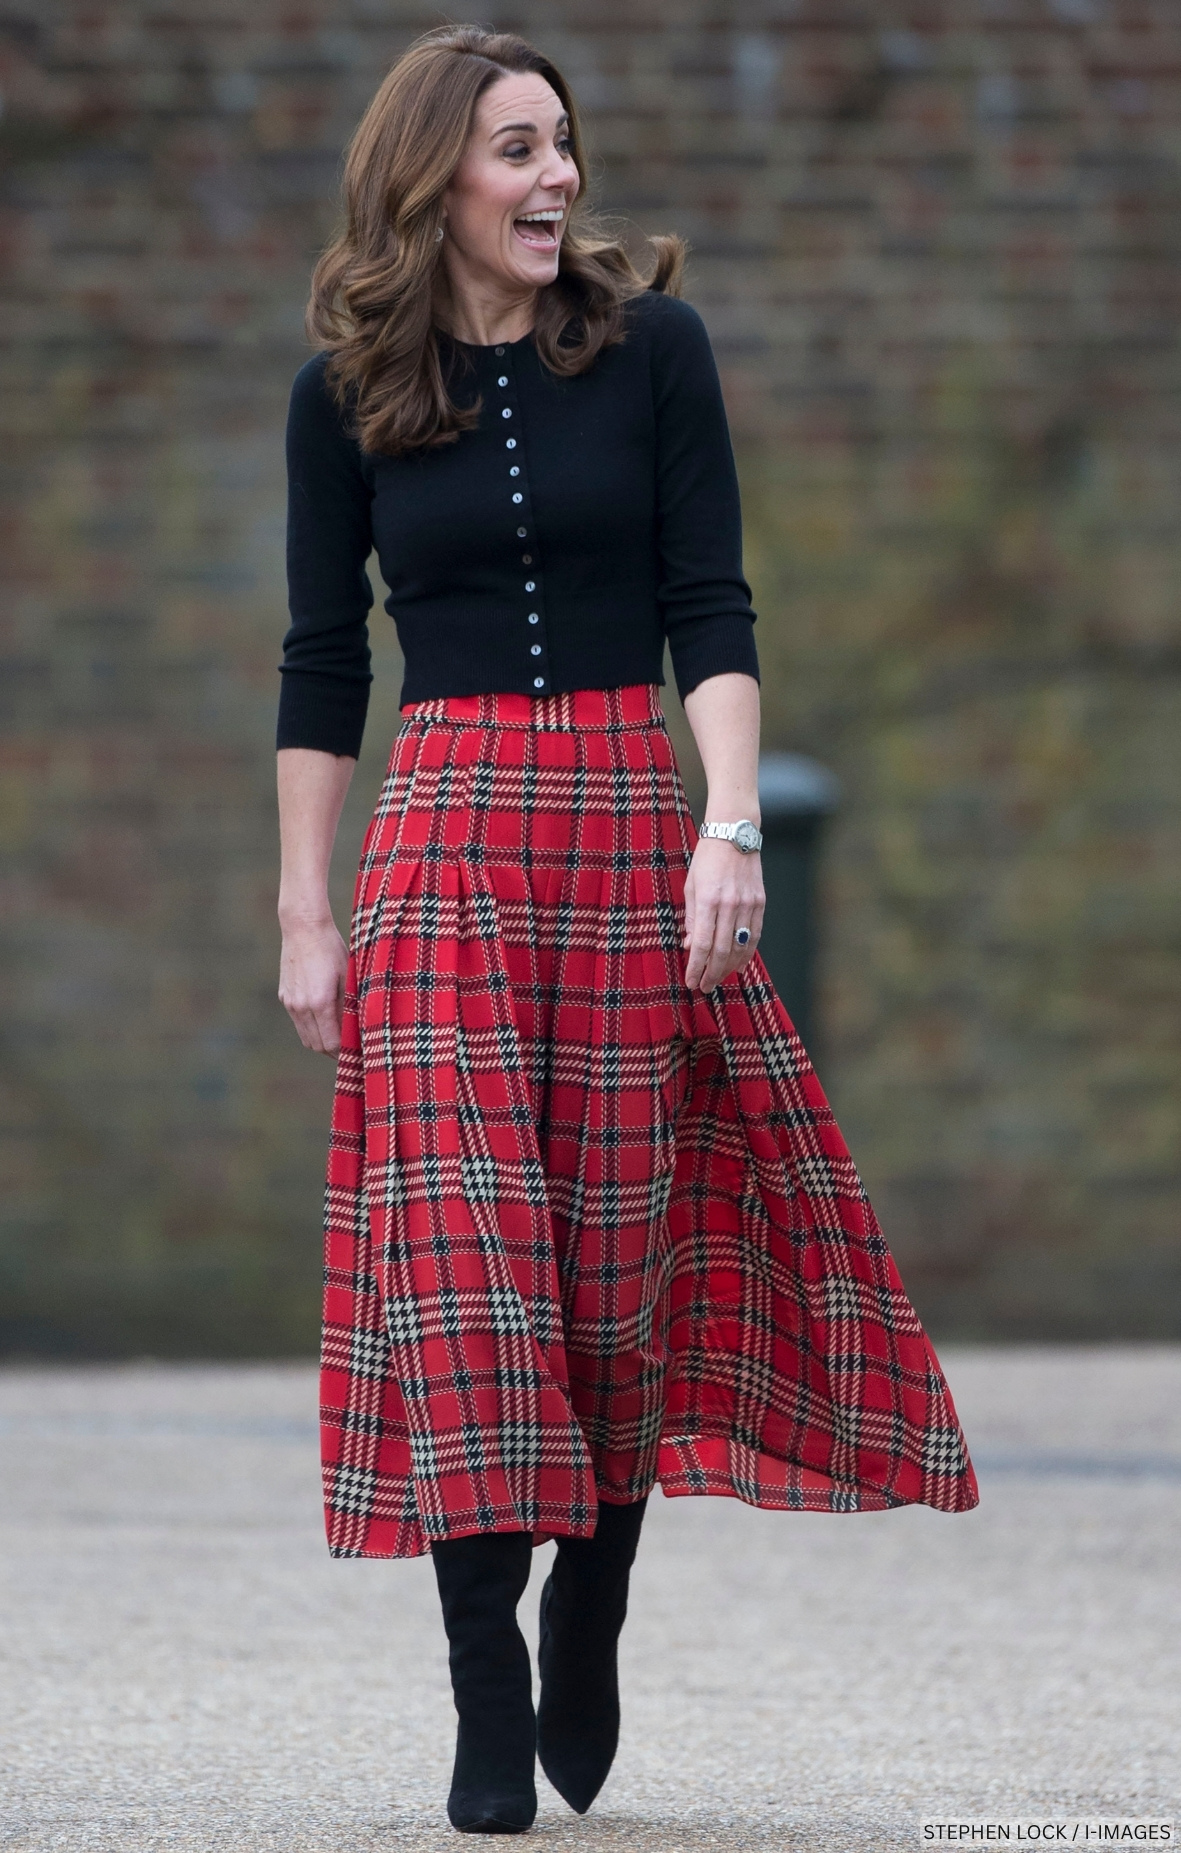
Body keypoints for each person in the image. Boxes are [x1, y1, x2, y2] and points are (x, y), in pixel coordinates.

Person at [275, 24, 978, 1836]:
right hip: (437, 843)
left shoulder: (653, 352)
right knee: (460, 1261)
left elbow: (707, 602)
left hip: (614, 826)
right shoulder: (342, 389)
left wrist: (725, 822)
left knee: (612, 1264)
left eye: (563, 144)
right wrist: (304, 904)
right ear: (435, 177)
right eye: (518, 149)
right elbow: (319, 666)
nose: (557, 176)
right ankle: (482, 1684)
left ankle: (586, 1603)